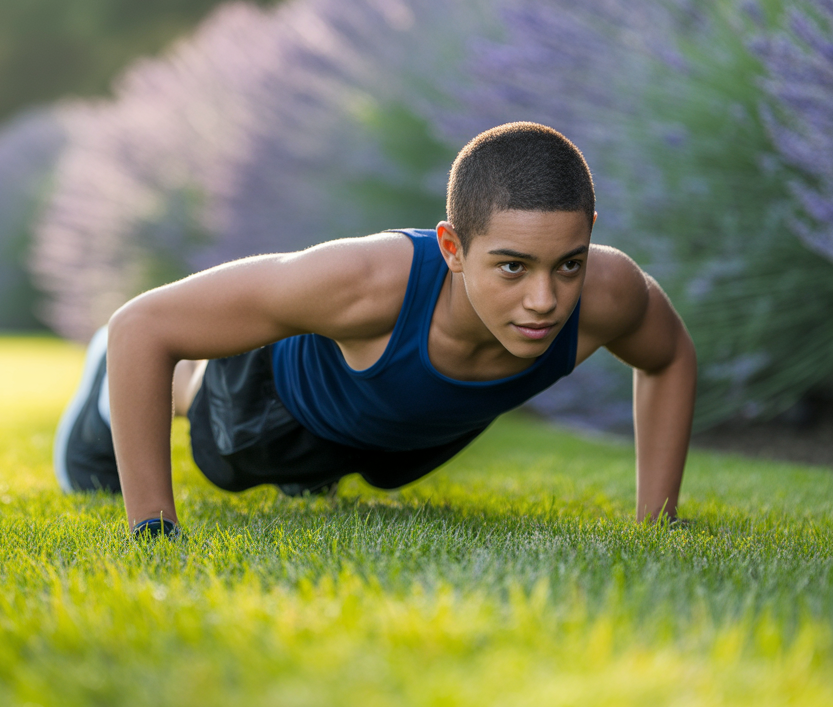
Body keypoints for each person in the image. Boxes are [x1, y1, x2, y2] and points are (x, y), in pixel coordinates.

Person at [54, 122, 696, 537]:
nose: (544, 301)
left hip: (402, 436)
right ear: (452, 247)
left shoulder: (610, 293)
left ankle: (323, 468)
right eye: (512, 267)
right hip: (276, 406)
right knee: (209, 419)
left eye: (569, 264)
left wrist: (658, 520)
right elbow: (142, 325)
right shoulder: (363, 282)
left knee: (366, 474)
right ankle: (107, 391)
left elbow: (668, 358)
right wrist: (153, 528)